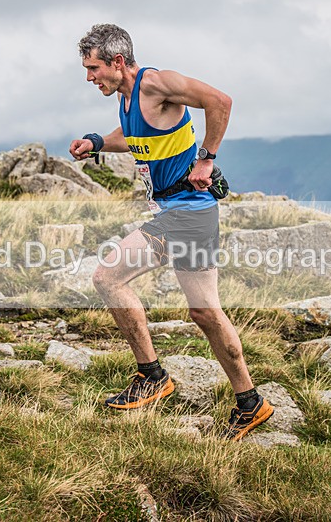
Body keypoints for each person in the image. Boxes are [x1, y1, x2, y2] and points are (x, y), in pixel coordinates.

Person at [69, 24, 273, 441]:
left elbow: (220, 101)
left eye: (93, 68)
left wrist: (206, 158)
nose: (89, 77)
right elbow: (135, 137)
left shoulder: (157, 84)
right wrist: (97, 142)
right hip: (185, 213)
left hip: (186, 213)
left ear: (118, 62)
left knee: (108, 277)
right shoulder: (128, 98)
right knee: (205, 313)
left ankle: (152, 377)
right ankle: (250, 402)